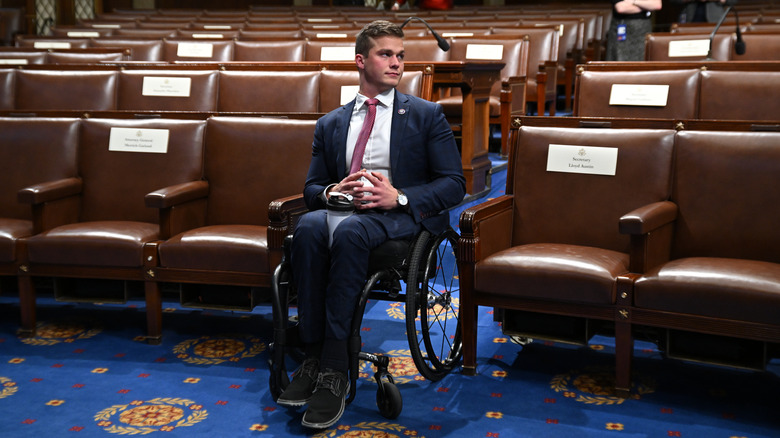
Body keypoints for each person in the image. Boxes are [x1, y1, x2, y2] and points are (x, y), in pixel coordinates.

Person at [275, 20, 466, 429]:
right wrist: (330, 193)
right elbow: (311, 186)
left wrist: (398, 196)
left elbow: (455, 184)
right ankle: (311, 354)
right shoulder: (331, 123)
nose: (396, 63)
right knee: (308, 227)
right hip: (344, 213)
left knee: (348, 232)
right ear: (361, 61)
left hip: (399, 220)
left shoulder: (425, 115)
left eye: (401, 56)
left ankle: (334, 370)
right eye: (386, 54)